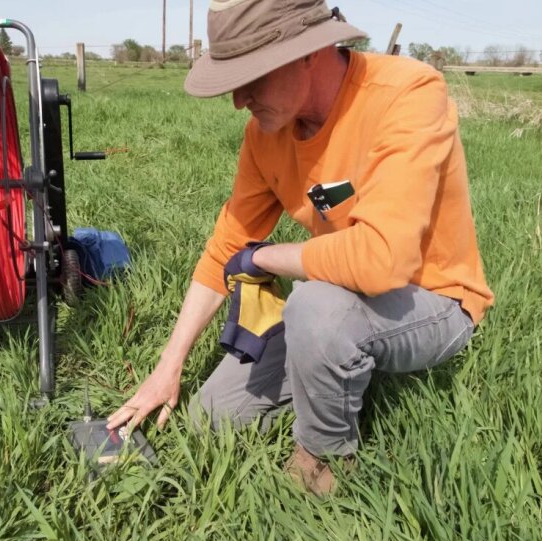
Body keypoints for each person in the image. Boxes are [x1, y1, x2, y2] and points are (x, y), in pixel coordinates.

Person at [107, 0, 494, 496]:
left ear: (308, 52)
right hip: (342, 291)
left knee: (315, 305)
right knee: (211, 419)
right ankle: (337, 368)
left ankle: (323, 464)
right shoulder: (265, 134)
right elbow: (225, 248)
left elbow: (382, 261)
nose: (238, 99)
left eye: (253, 78)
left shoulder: (409, 94)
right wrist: (169, 367)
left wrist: (264, 257)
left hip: (434, 298)